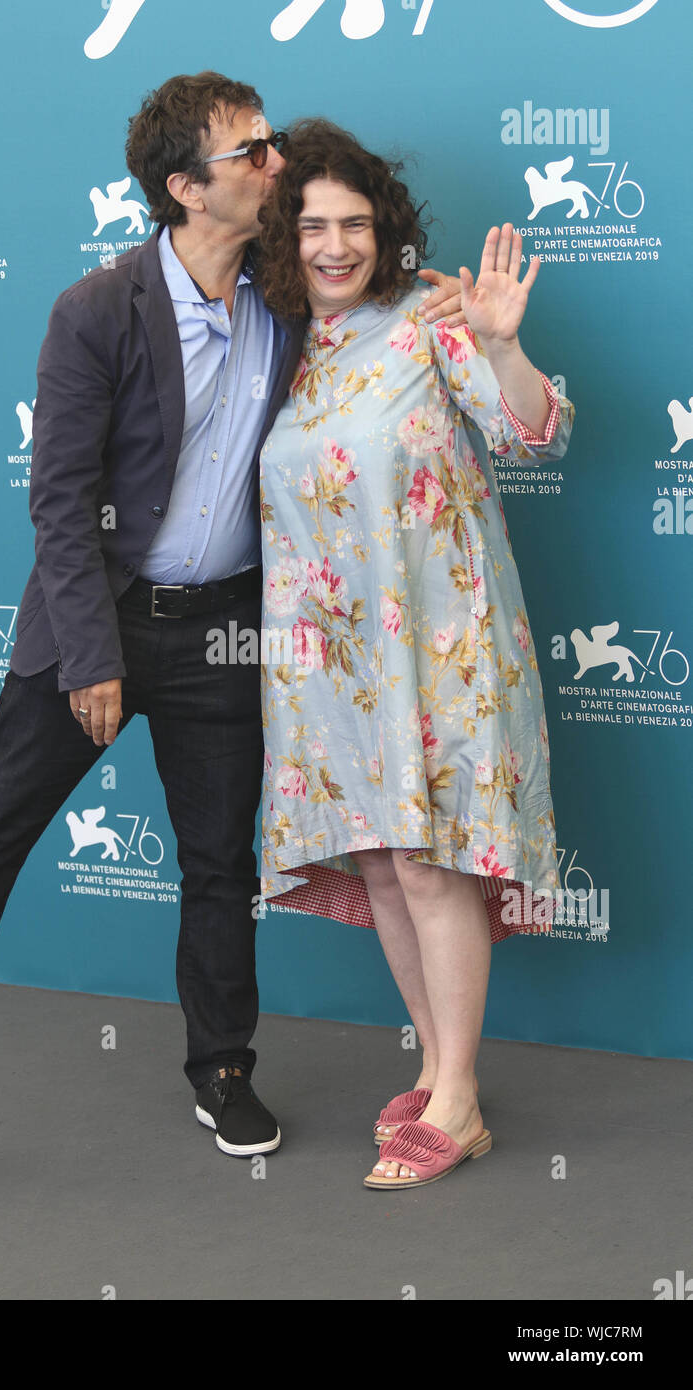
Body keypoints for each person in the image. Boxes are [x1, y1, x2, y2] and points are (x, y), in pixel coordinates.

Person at [0, 78, 463, 1160]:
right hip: (102, 618)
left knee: (217, 864)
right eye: (252, 153)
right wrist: (89, 654)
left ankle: (222, 1070)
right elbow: (62, 501)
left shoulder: (280, 296)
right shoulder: (97, 310)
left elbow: (367, 312)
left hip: (225, 629)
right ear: (185, 188)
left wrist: (439, 301)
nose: (277, 164)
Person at [255, 119, 574, 1188]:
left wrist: (499, 343)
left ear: (380, 230)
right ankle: (437, 1066)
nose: (333, 245)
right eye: (311, 225)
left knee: (432, 863)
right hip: (325, 663)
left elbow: (536, 429)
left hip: (440, 648)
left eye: (352, 223)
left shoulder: (427, 321)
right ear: (281, 235)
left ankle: (460, 1099)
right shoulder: (276, 346)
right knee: (384, 862)